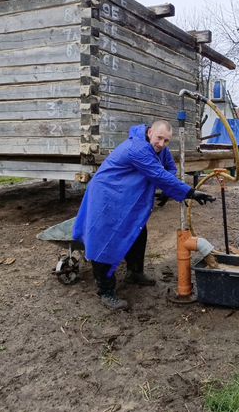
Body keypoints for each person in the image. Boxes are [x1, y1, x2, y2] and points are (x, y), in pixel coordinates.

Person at [73, 120, 215, 310]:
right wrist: (189, 192)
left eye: (166, 140)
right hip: (107, 194)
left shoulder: (160, 149)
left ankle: (135, 272)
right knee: (106, 240)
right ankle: (105, 291)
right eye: (159, 138)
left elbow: (170, 168)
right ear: (150, 133)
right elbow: (158, 174)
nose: (162, 144)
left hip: (125, 196)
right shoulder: (137, 148)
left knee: (138, 232)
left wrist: (168, 190)